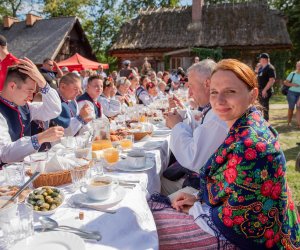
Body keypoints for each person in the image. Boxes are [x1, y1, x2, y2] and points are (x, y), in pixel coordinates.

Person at [151, 59, 300, 249]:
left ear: (252, 94)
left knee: (147, 224)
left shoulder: (251, 144)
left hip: (252, 237)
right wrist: (199, 198)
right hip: (247, 220)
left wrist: (199, 208)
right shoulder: (244, 124)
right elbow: (231, 185)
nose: (219, 101)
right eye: (214, 92)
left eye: (230, 92)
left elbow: (237, 218)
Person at [162, 60, 228, 195]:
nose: (189, 93)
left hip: (213, 189)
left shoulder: (217, 116)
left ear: (208, 84)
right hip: (216, 181)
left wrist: (176, 125)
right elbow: (200, 129)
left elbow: (193, 159)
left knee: (158, 181)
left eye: (191, 86)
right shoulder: (213, 110)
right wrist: (182, 114)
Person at [0, 58, 63, 165]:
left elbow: (54, 110)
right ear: (12, 86)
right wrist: (40, 138)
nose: (31, 96)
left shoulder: (25, 106)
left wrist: (43, 83)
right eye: (29, 91)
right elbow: (4, 153)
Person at [257, 53, 276, 121]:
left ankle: (266, 123)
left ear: (264, 59)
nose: (259, 60)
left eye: (260, 58)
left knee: (264, 108)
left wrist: (264, 90)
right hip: (260, 90)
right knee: (259, 107)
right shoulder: (261, 68)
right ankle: (260, 122)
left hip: (265, 90)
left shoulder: (270, 68)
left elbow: (272, 80)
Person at [283, 61, 300, 127]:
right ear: (296, 66)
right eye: (298, 66)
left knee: (299, 108)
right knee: (291, 108)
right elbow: (285, 82)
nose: (299, 67)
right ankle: (289, 122)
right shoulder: (292, 74)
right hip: (292, 93)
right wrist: (293, 84)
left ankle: (299, 124)